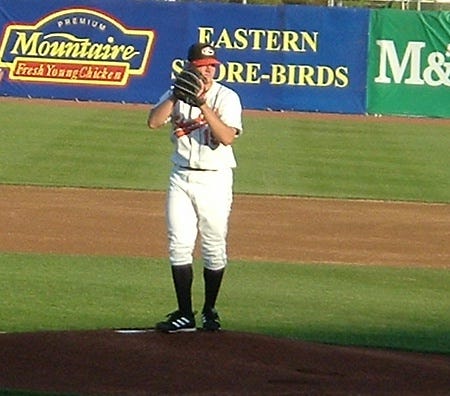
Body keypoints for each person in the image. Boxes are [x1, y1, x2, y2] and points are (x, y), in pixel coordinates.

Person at [147, 43, 243, 332]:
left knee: (214, 246)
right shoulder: (175, 92)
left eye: (213, 65)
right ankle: (185, 314)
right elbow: (153, 122)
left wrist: (202, 104)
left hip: (215, 179)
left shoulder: (226, 97)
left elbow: (227, 137)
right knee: (179, 244)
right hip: (181, 176)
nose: (209, 70)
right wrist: (177, 96)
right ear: (190, 66)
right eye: (203, 65)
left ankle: (209, 310)